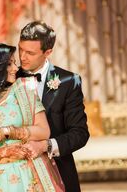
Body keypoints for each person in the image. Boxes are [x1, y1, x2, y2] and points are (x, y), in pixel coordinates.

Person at [0, 43, 65, 192]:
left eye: (14, 63)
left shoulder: (23, 91)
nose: (16, 68)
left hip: (29, 177)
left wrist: (6, 132)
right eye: (9, 64)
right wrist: (1, 153)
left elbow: (44, 131)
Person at [16, 21, 90, 192]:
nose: (22, 57)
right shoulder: (10, 78)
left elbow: (80, 133)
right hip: (17, 173)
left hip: (58, 171)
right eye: (20, 49)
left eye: (30, 52)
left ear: (47, 52)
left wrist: (46, 146)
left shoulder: (69, 82)